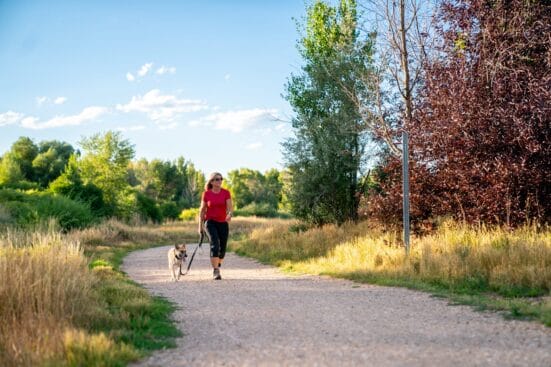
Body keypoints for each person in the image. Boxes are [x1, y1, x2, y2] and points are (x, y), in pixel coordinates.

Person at [198, 172, 233, 280]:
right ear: (212, 181)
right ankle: (216, 270)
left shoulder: (226, 193)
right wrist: (200, 226)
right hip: (210, 222)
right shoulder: (206, 194)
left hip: (223, 222)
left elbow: (230, 208)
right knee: (214, 244)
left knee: (222, 249)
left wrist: (229, 214)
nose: (220, 181)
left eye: (221, 179)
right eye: (217, 179)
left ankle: (217, 263)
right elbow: (202, 210)